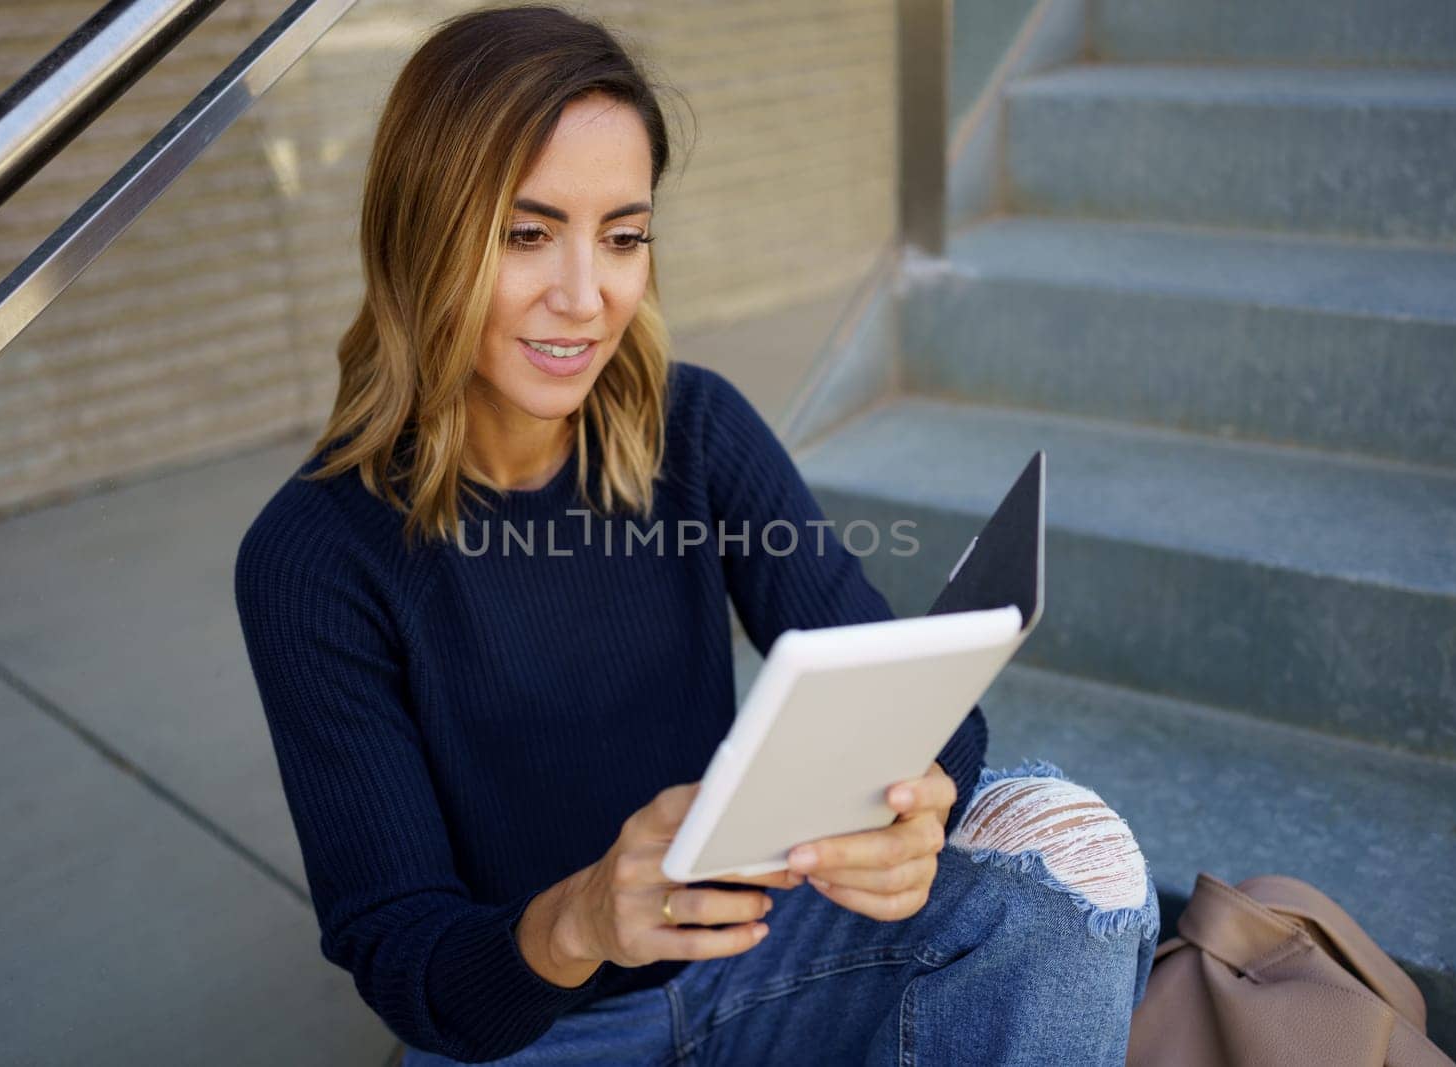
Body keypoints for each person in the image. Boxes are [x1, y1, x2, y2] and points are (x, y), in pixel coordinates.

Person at [232, 5, 1160, 1064]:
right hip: (533, 1031)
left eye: (622, 236)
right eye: (526, 233)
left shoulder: (694, 429)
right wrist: (579, 915)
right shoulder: (312, 558)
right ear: (422, 233)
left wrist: (916, 815)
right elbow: (408, 960)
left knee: (1068, 846)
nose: (585, 298)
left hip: (758, 953)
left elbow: (899, 689)